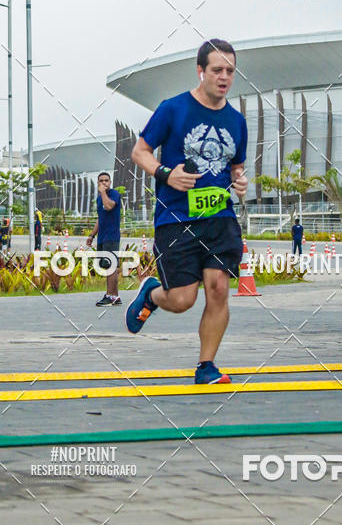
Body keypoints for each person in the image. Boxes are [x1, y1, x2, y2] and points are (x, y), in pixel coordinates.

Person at [126, 38, 248, 385]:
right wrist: (166, 174)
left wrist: (240, 181)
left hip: (220, 217)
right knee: (182, 300)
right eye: (217, 70)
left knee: (218, 287)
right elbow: (140, 151)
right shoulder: (173, 109)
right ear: (200, 71)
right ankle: (152, 293)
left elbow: (235, 166)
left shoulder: (237, 121)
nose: (224, 77)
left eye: (230, 71)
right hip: (176, 217)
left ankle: (206, 366)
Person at [87, 172, 122, 306]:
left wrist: (103, 192)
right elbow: (100, 218)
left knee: (110, 266)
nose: (104, 183)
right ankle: (115, 296)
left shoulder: (114, 194)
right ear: (98, 183)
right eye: (101, 181)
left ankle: (109, 296)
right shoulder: (99, 199)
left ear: (110, 182)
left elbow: (109, 206)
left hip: (111, 236)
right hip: (102, 237)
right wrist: (92, 235)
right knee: (108, 267)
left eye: (106, 180)